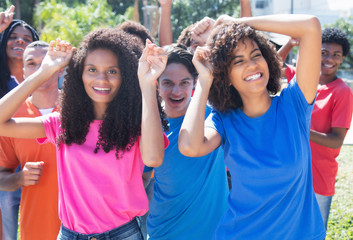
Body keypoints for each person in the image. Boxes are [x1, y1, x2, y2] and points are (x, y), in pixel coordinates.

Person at [0, 27, 168, 239]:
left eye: (112, 71)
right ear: (79, 74)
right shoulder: (63, 124)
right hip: (70, 234)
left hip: (122, 234)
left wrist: (145, 83)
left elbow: (154, 158)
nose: (102, 79)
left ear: (125, 76)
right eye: (92, 70)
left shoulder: (137, 125)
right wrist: (44, 72)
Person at [179, 14, 326, 239]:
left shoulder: (294, 104)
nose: (251, 65)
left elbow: (310, 26)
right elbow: (189, 146)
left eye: (256, 55)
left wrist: (236, 22)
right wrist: (204, 79)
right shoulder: (224, 120)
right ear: (226, 77)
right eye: (238, 61)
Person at [144, 45, 228, 240]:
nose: (176, 91)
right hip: (163, 233)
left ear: (195, 83)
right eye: (167, 82)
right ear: (157, 83)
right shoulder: (150, 123)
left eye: (184, 82)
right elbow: (143, 177)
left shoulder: (215, 117)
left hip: (214, 234)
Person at [0, 40, 61, 240]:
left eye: (46, 63)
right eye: (32, 64)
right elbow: (1, 176)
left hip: (82, 229)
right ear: (23, 72)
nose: (40, 69)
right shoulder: (9, 117)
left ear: (60, 69)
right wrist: (19, 178)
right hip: (35, 229)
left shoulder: (81, 110)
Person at [0, 6, 39, 240]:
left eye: (27, 39)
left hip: (36, 157)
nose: (19, 42)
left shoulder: (45, 80)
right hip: (4, 162)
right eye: (13, 37)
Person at [309, 27, 353, 229]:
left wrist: (302, 131)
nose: (329, 59)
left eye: (336, 55)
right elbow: (277, 66)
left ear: (342, 58)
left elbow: (336, 140)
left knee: (314, 232)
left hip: (319, 176)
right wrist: (291, 44)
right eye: (324, 52)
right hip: (293, 172)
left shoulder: (342, 92)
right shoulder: (306, 82)